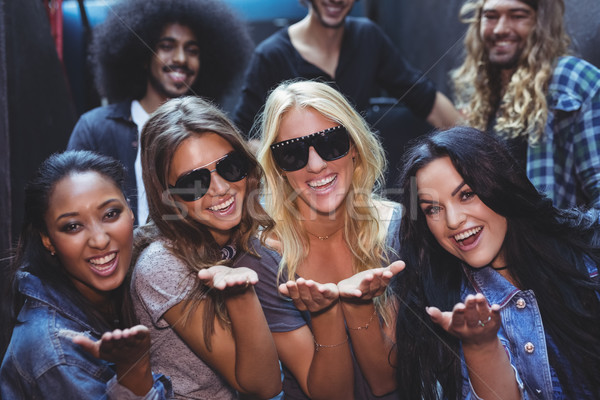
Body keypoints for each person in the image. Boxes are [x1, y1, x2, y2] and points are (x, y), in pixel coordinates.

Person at [393, 126, 600, 399]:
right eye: (433, 209)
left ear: (499, 185)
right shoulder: (444, 305)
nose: (453, 221)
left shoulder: (587, 252)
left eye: (466, 195)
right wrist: (481, 345)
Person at [234, 80, 404, 399]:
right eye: (293, 153)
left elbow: (386, 381)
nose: (315, 165)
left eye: (331, 143)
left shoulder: (395, 228)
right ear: (278, 168)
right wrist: (326, 313)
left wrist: (358, 305)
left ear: (354, 146)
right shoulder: (262, 259)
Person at [130, 96, 282, 399]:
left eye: (230, 166)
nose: (220, 188)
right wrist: (241, 293)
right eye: (194, 183)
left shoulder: (241, 235)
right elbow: (263, 386)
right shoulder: (162, 265)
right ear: (169, 196)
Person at [0, 150, 173, 399]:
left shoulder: (146, 268)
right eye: (73, 226)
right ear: (48, 240)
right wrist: (134, 371)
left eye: (111, 214)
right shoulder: (54, 351)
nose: (100, 240)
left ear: (130, 210)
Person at [67, 0, 253, 225]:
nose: (181, 59)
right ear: (144, 56)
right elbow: (72, 206)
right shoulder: (95, 128)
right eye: (167, 46)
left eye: (192, 50)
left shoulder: (213, 131)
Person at [233, 0, 460, 139]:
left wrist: (473, 147)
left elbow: (425, 99)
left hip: (356, 179)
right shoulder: (271, 55)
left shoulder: (367, 37)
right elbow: (245, 137)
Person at [452, 0, 600, 209]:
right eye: (491, 16)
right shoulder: (483, 96)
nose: (501, 29)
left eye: (518, 16)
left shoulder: (572, 79)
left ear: (541, 22)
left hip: (554, 238)